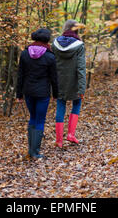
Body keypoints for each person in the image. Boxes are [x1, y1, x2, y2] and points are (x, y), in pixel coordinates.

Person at [16, 28, 58, 159]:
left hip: (28, 92)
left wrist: (19, 94)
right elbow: (54, 78)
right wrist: (56, 94)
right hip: (42, 93)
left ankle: (31, 151)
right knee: (40, 120)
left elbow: (20, 75)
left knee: (33, 118)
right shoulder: (50, 56)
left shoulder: (24, 54)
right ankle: (35, 152)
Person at [52, 20, 86, 148]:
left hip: (59, 80)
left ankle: (59, 140)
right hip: (74, 81)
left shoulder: (55, 44)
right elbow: (81, 68)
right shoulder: (79, 45)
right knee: (76, 103)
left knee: (61, 105)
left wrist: (51, 83)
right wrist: (82, 88)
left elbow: (52, 64)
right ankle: (71, 134)